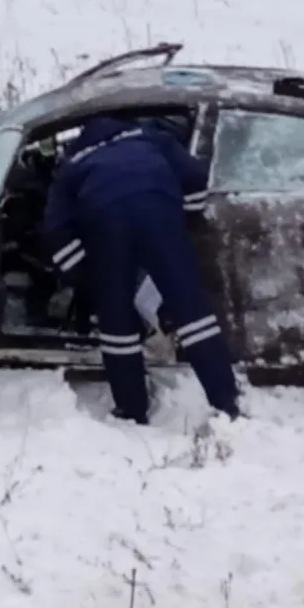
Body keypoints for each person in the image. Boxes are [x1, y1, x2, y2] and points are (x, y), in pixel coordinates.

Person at [41, 113, 240, 424]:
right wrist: (183, 217)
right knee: (193, 314)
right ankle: (226, 402)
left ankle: (132, 410)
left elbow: (55, 231)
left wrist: (88, 278)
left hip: (105, 223)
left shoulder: (71, 165)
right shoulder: (149, 136)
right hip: (158, 209)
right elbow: (195, 175)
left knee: (117, 326)